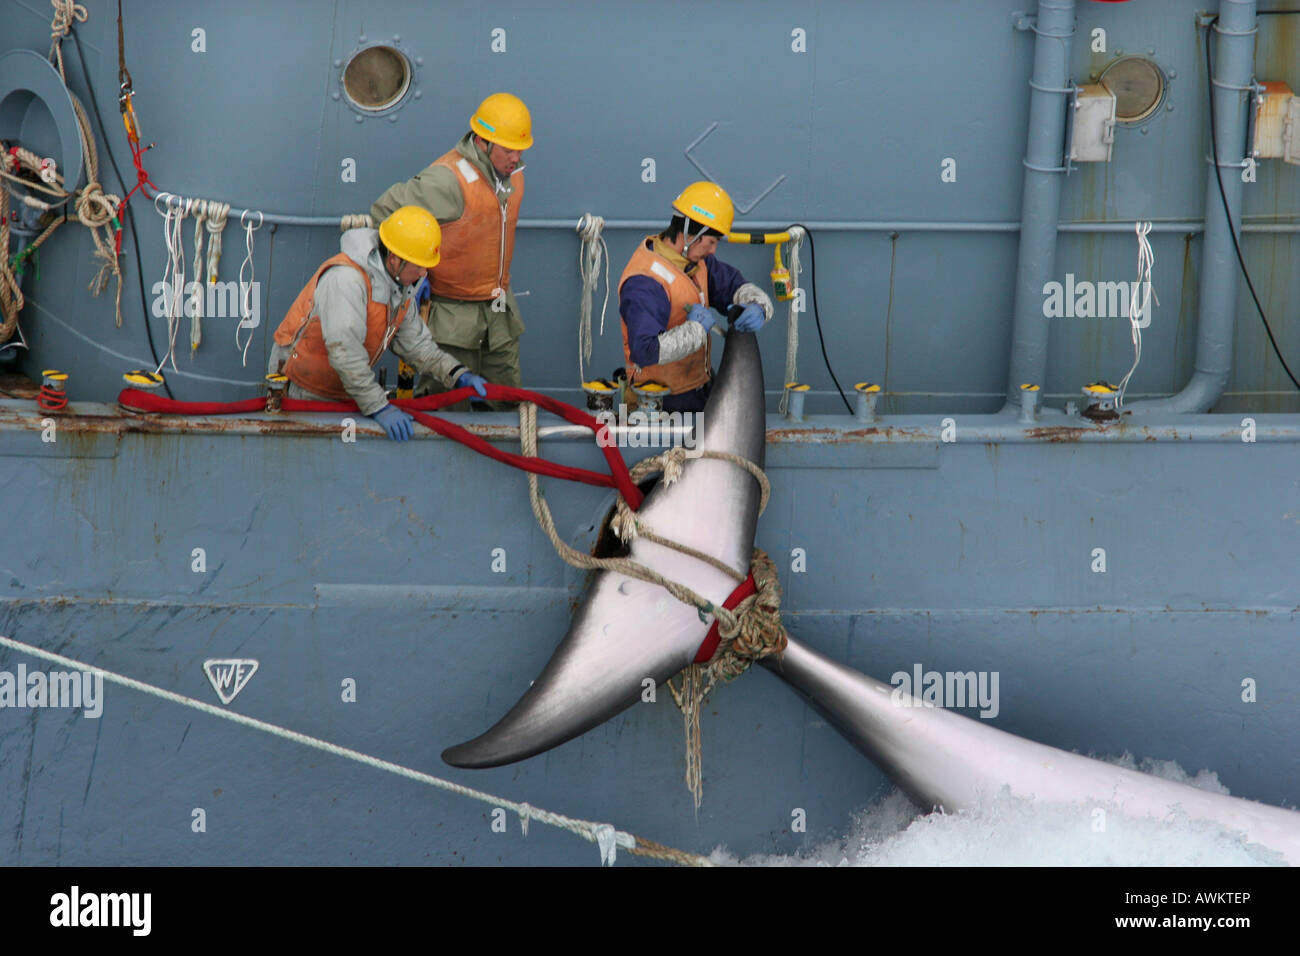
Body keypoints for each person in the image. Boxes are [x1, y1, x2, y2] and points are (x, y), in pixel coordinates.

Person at [268, 206, 488, 441]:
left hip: (345, 388)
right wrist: (378, 407)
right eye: (418, 266)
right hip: (303, 392)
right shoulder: (346, 281)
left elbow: (418, 347)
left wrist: (458, 375)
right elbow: (345, 353)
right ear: (394, 259)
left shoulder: (400, 288)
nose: (424, 274)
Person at [370, 92, 530, 411]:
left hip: (499, 313)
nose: (516, 158)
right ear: (484, 143)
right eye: (509, 149)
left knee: (506, 406)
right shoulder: (447, 181)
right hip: (452, 319)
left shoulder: (512, 177)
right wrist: (409, 271)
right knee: (446, 413)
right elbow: (383, 212)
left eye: (521, 150)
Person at [618, 181, 774, 413]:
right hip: (658, 404)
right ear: (692, 234)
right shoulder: (645, 281)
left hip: (698, 392)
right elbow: (644, 350)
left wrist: (759, 306)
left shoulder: (697, 262)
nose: (713, 251)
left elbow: (732, 286)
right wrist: (696, 331)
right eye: (712, 242)